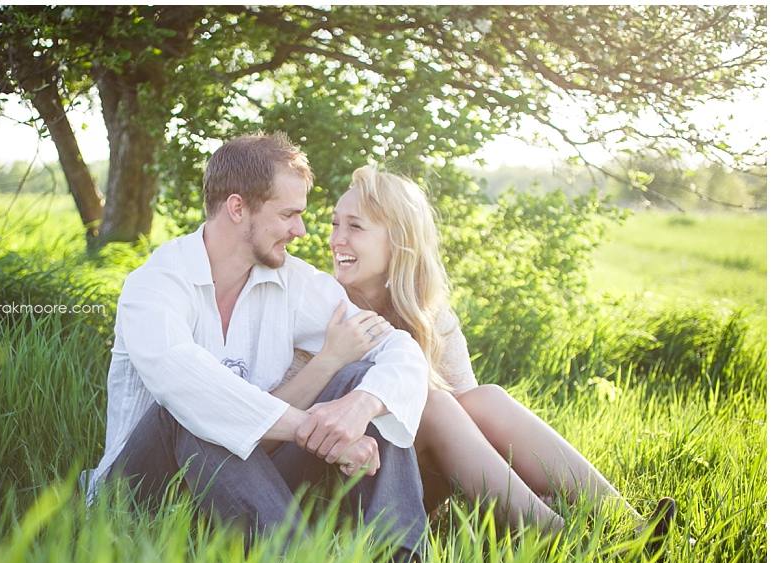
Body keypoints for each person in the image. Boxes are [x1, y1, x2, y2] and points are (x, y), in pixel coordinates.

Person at [86, 134, 431, 563]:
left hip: (247, 486)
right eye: (288, 214)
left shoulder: (291, 281)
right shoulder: (154, 285)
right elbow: (185, 383)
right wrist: (315, 429)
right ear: (237, 208)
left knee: (361, 379)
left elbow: (398, 347)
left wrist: (358, 407)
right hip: (142, 494)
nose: (302, 231)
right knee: (183, 412)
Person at [279, 164, 675, 539]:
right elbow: (278, 430)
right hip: (329, 488)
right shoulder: (319, 312)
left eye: (355, 227)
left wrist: (516, 483)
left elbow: (472, 423)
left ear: (399, 240)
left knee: (483, 399)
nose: (335, 239)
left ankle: (627, 523)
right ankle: (562, 538)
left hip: (411, 481)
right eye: (335, 224)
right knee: (435, 405)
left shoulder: (431, 317)